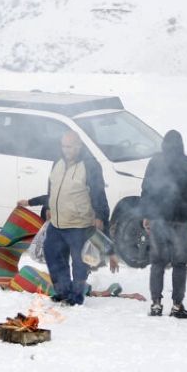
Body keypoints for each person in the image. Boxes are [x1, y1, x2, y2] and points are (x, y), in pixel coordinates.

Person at [23, 130, 109, 305]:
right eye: (64, 146)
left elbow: (99, 193)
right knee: (52, 253)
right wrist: (47, 206)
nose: (66, 150)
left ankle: (76, 296)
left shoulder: (90, 165)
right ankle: (62, 291)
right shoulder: (58, 162)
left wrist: (100, 216)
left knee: (79, 262)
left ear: (79, 146)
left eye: (69, 146)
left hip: (79, 222)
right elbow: (53, 188)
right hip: (57, 221)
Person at [139, 130, 187, 319]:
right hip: (182, 220)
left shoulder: (155, 163)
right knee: (179, 264)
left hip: (159, 219)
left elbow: (147, 190)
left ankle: (156, 304)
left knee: (157, 263)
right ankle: (177, 305)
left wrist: (147, 215)